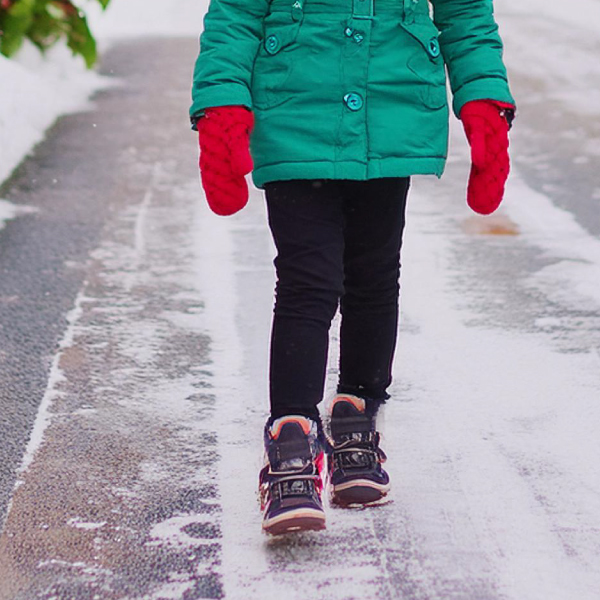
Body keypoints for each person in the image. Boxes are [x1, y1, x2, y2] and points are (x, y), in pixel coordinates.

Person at [190, 0, 515, 535]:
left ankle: (356, 415)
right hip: (294, 104)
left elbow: (465, 14)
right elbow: (235, 15)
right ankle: (290, 439)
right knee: (306, 280)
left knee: (374, 276)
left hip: (392, 105)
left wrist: (484, 95)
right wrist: (221, 104)